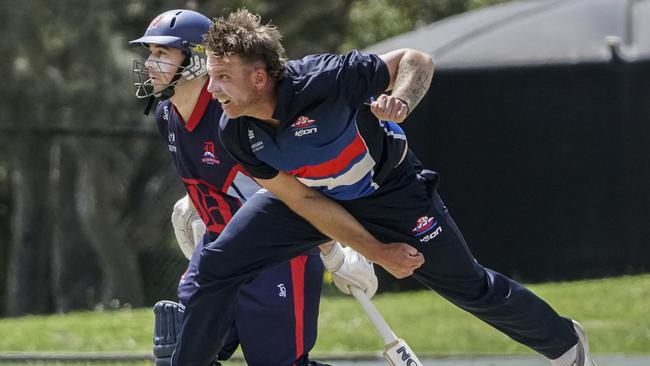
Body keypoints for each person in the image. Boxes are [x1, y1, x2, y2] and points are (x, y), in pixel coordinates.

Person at [172, 9, 598, 366]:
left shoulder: (328, 78)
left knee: (469, 287)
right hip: (309, 198)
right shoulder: (237, 132)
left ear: (260, 77)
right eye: (210, 76)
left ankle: (565, 344)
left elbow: (416, 60)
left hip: (391, 193)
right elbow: (299, 198)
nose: (212, 89)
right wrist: (375, 252)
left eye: (223, 77)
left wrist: (402, 101)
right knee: (216, 267)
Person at [129, 9, 378, 366]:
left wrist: (335, 250)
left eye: (162, 54)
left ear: (198, 60)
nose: (150, 64)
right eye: (150, 53)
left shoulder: (236, 118)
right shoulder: (166, 115)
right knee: (177, 352)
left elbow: (292, 192)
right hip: (220, 252)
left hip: (273, 255)